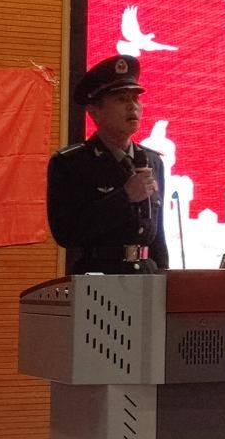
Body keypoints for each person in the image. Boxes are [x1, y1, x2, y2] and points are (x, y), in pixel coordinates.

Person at [47, 54, 169, 274]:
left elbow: (158, 236)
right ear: (94, 111)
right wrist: (125, 197)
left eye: (135, 99)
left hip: (147, 275)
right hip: (98, 275)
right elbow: (66, 233)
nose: (132, 107)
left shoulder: (152, 161)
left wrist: (167, 280)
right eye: (121, 99)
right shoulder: (70, 163)